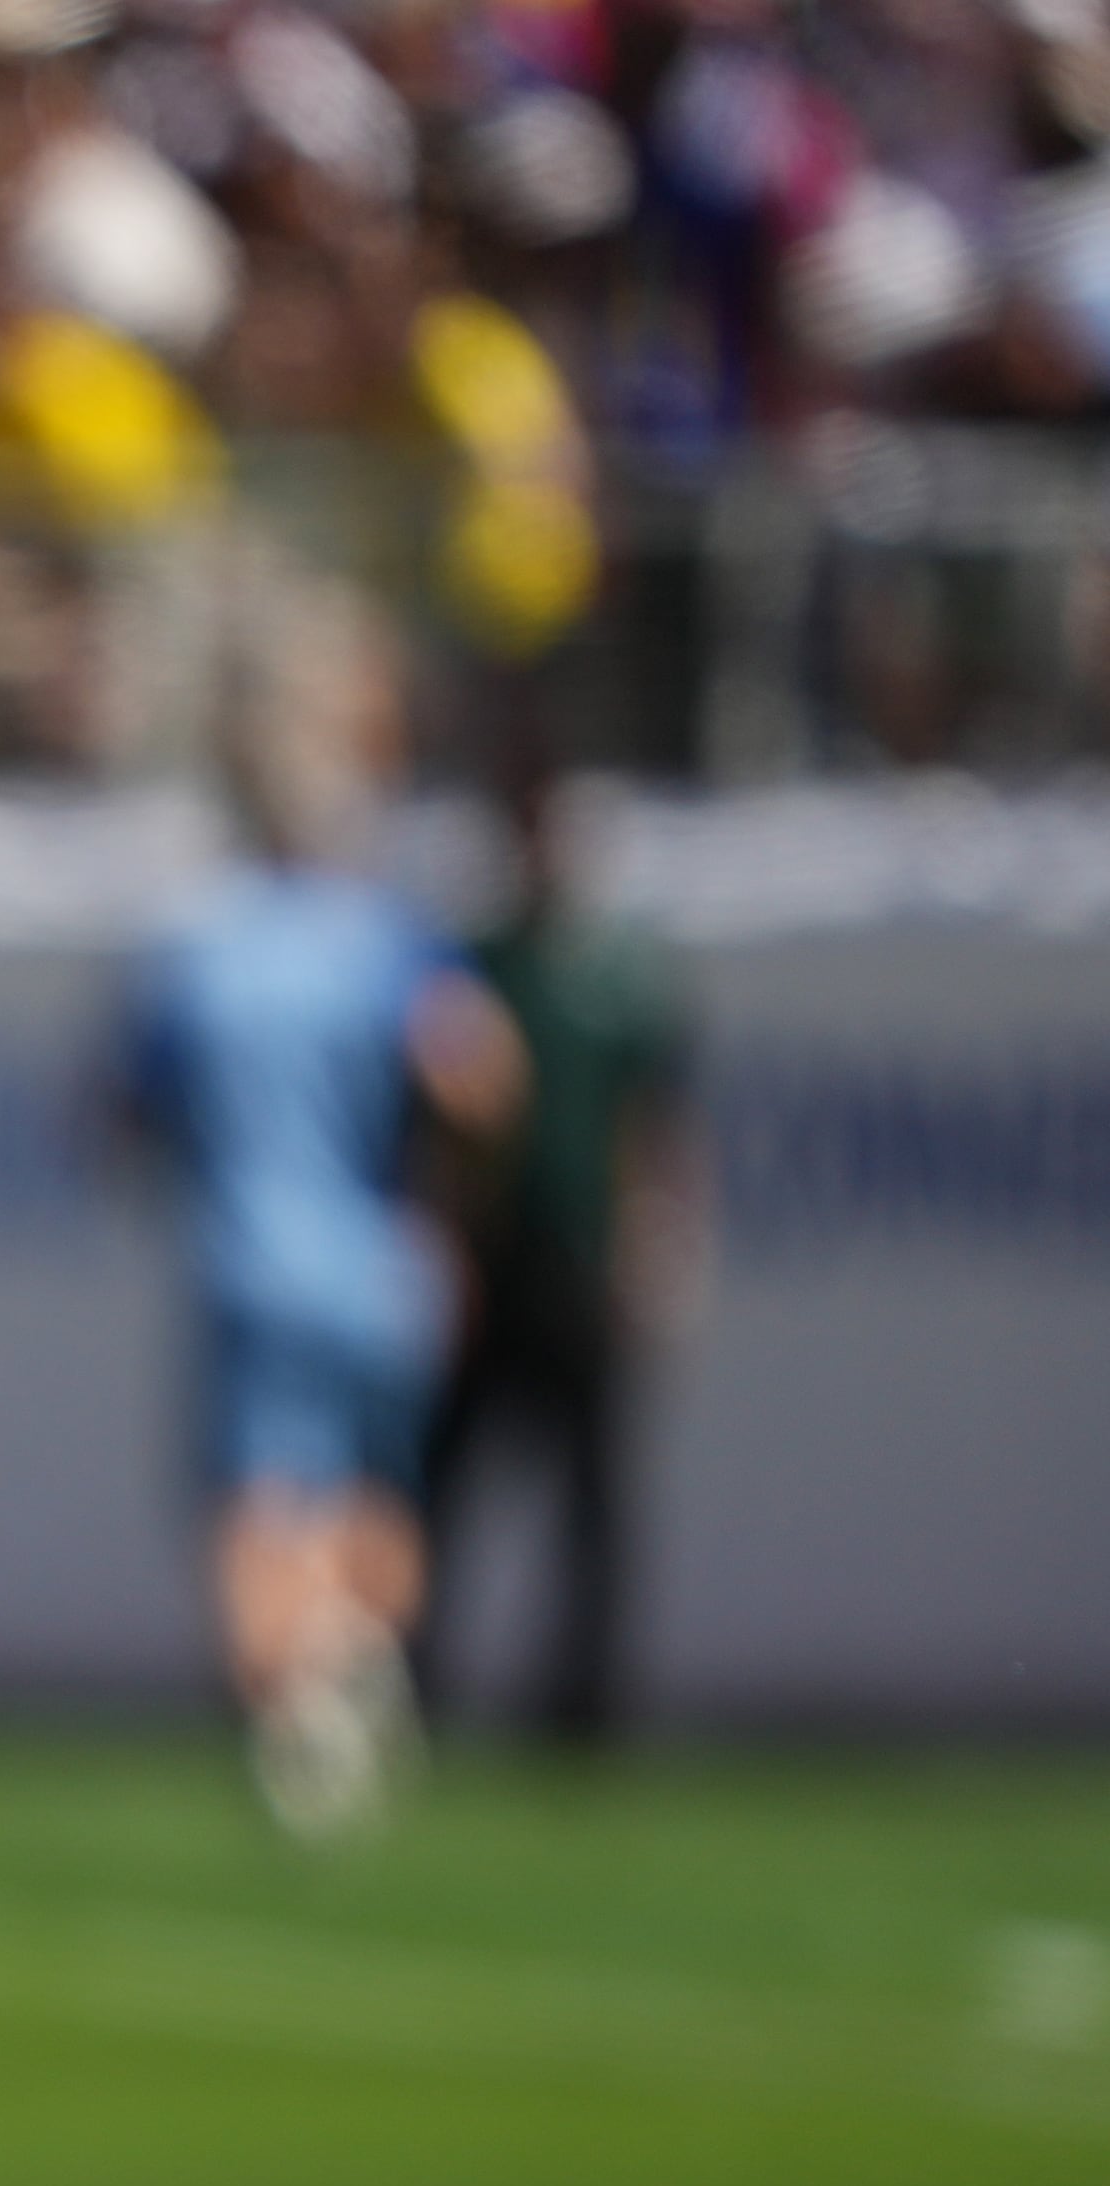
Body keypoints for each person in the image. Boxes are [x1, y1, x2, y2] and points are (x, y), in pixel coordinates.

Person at [129, 667, 527, 1838]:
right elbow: (483, 1078)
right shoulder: (382, 941)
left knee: (257, 1508)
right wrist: (446, 1199)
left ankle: (294, 1715)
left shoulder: (203, 949)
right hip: (375, 1259)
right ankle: (350, 1660)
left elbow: (126, 1109)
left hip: (248, 1257)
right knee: (370, 1491)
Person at [421, 760, 693, 1747]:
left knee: (593, 1497)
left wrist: (657, 1247)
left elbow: (656, 1125)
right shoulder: (474, 967)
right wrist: (445, 1243)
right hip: (497, 1256)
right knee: (445, 1479)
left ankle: (584, 1705)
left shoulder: (620, 976)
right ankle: (416, 1686)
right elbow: (441, 1132)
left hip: (581, 1257)